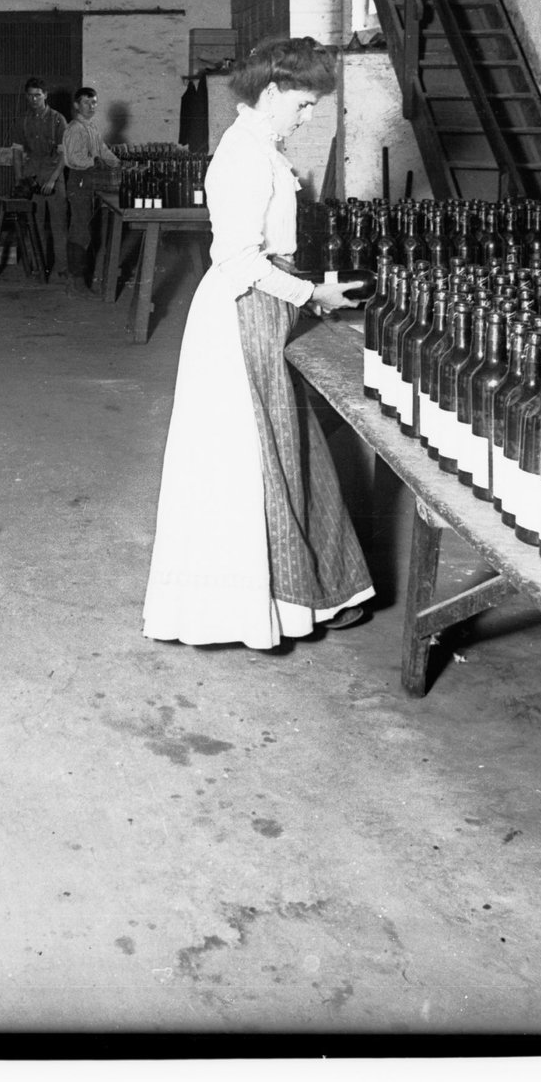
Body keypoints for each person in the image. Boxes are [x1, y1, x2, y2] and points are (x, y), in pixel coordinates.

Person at [142, 37, 374, 650]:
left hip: (268, 306)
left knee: (287, 442)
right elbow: (237, 258)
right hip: (242, 316)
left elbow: (272, 250)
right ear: (270, 93)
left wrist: (313, 284)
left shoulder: (261, 148)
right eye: (301, 105)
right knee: (252, 455)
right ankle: (261, 603)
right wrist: (313, 297)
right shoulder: (242, 155)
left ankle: (315, 587)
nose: (305, 118)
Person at [58, 86, 120, 292]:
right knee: (80, 230)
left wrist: (118, 163)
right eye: (86, 102)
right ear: (76, 105)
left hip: (90, 180)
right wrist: (96, 161)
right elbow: (74, 159)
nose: (91, 106)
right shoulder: (75, 128)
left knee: (87, 230)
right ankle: (75, 281)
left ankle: (79, 277)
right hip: (79, 180)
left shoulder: (91, 127)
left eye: (94, 102)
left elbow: (103, 150)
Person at [18, 77, 69, 280]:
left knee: (58, 226)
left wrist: (53, 180)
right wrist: (20, 178)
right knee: (34, 225)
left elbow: (64, 155)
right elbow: (17, 152)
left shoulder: (58, 120)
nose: (34, 99)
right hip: (33, 179)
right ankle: (38, 266)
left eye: (38, 95)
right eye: (30, 95)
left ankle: (63, 269)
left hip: (54, 179)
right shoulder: (23, 120)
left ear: (45, 95)